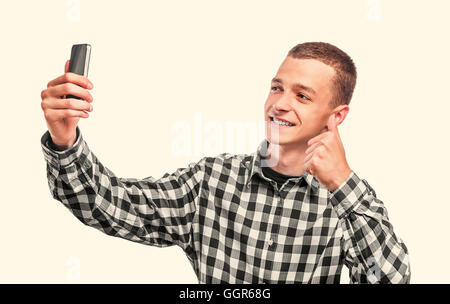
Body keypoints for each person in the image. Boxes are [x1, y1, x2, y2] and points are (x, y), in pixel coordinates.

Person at [40, 42, 410, 283]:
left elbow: (390, 280)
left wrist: (342, 184)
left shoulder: (350, 205)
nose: (280, 103)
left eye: (302, 95)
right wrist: (64, 138)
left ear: (337, 116)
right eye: (277, 87)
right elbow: (110, 205)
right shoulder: (212, 180)